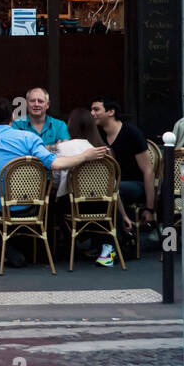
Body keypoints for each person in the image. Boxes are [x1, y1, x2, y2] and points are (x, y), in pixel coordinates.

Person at [0, 101, 106, 266]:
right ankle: (26, 248)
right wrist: (84, 156)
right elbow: (55, 164)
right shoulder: (29, 138)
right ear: (12, 117)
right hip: (28, 205)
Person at [54, 107, 124, 267]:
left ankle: (65, 248)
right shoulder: (105, 150)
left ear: (71, 125)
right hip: (102, 205)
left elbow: (57, 180)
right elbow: (114, 188)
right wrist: (124, 214)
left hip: (72, 205)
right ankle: (105, 247)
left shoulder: (63, 147)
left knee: (54, 204)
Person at [91, 96, 157, 229]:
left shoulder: (131, 134)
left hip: (135, 184)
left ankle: (115, 242)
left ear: (111, 112)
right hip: (110, 183)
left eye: (96, 109)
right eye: (91, 110)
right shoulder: (97, 134)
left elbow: (148, 171)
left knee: (110, 190)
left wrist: (150, 208)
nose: (92, 113)